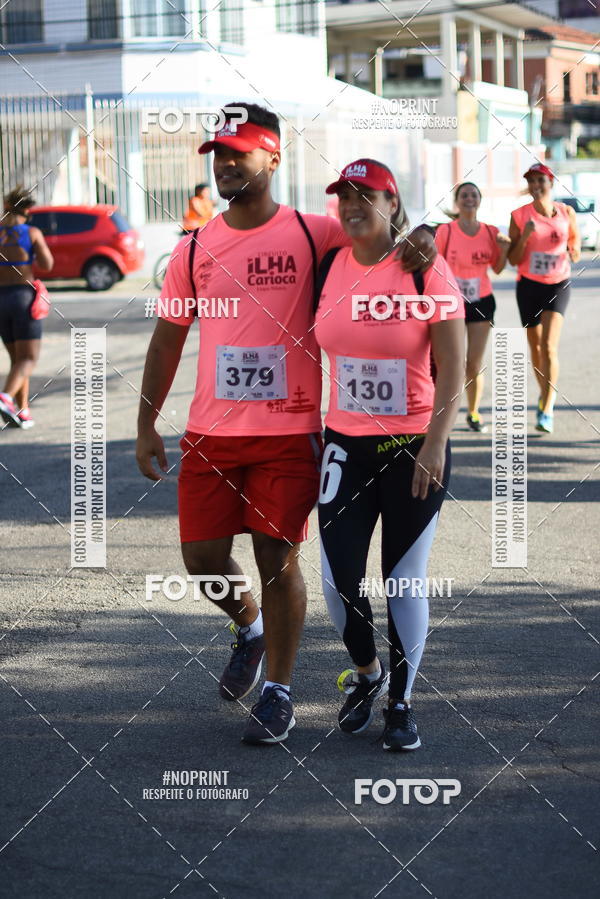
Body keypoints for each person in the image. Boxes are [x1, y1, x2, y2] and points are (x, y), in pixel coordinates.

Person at [136, 102, 438, 745]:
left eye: (237, 152)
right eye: (217, 153)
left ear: (272, 158)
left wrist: (428, 233)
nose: (224, 163)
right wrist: (146, 423)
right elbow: (166, 340)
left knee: (278, 553)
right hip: (212, 430)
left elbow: (379, 228)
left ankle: (278, 693)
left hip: (292, 431)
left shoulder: (313, 233)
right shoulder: (194, 247)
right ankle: (246, 626)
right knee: (202, 559)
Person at [314, 159, 465, 751]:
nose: (353, 206)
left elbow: (454, 366)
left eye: (366, 195)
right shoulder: (330, 260)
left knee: (403, 581)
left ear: (391, 201)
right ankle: (368, 673)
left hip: (413, 446)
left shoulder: (424, 266)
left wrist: (436, 440)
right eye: (344, 196)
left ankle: (402, 700)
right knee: (336, 579)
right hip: (344, 445)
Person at [508, 163, 580, 433]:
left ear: (551, 183)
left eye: (541, 180)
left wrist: (573, 251)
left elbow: (574, 244)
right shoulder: (518, 215)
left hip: (557, 284)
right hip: (528, 285)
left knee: (549, 346)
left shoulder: (566, 212)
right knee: (536, 348)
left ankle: (547, 406)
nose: (536, 186)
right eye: (531, 181)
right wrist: (525, 235)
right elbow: (513, 258)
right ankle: (544, 392)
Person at [436, 182, 510, 433]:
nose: (469, 199)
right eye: (464, 195)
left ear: (479, 200)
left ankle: (474, 412)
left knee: (473, 364)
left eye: (474, 195)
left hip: (481, 301)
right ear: (457, 201)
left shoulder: (490, 232)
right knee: (450, 362)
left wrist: (504, 248)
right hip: (451, 302)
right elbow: (434, 265)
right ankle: (440, 414)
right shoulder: (446, 231)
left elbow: (498, 269)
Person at [0, 186, 53, 429]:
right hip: (23, 297)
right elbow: (47, 264)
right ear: (27, 211)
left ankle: (22, 411)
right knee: (29, 358)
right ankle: (5, 397)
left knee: (17, 361)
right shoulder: (31, 232)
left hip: (1, 299)